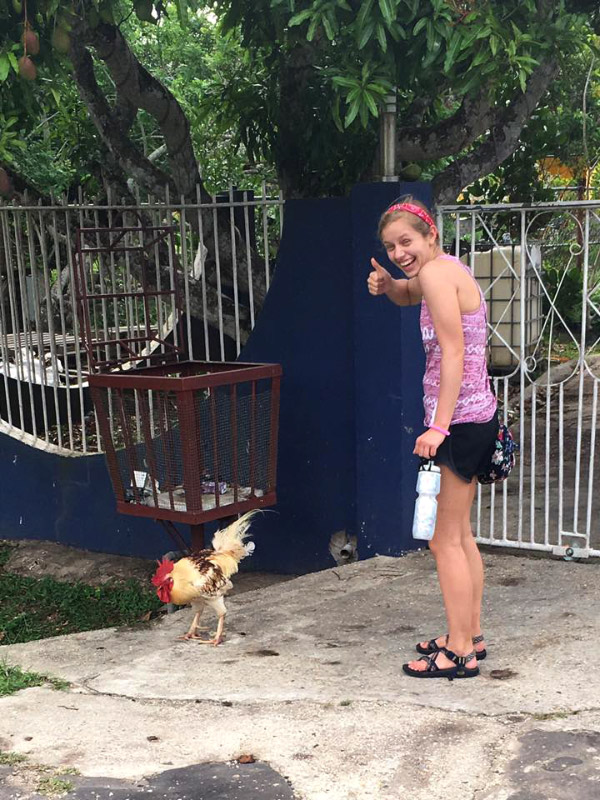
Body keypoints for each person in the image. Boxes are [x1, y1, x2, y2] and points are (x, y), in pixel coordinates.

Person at [367, 196, 498, 680]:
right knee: (460, 536)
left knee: (444, 542)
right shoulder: (439, 271)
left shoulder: (438, 275)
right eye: (390, 246)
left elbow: (453, 353)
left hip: (459, 423)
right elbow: (408, 293)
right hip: (474, 417)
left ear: (430, 236)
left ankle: (459, 651)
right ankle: (471, 633)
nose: (400, 252)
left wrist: (438, 426)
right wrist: (388, 286)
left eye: (406, 242)